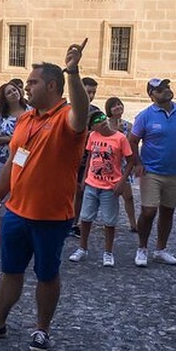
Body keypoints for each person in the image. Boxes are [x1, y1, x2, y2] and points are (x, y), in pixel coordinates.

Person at [0, 43, 90, 351]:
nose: (26, 87)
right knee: (10, 271)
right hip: (16, 212)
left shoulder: (67, 118)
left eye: (32, 82)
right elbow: (12, 162)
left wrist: (73, 72)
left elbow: (82, 111)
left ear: (52, 86)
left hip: (51, 217)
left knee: (47, 274)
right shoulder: (25, 119)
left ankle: (42, 329)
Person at [129, 77, 176, 267]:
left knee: (168, 211)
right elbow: (132, 140)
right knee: (149, 211)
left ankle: (160, 250)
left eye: (167, 87)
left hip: (175, 171)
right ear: (152, 95)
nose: (166, 90)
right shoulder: (145, 116)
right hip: (151, 171)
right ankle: (142, 248)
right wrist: (137, 163)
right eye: (160, 89)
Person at [67, 110, 134, 267]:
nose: (102, 121)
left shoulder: (120, 138)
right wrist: (84, 178)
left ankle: (108, 252)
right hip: (92, 183)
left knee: (109, 221)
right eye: (97, 121)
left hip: (110, 186)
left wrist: (122, 181)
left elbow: (130, 160)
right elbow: (90, 157)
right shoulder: (93, 136)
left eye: (103, 117)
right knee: (85, 217)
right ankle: (82, 248)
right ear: (92, 127)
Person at [71, 76, 101, 237]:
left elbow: (102, 132)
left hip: (86, 159)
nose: (91, 96)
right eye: (88, 92)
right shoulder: (67, 109)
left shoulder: (97, 112)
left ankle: (74, 223)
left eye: (94, 92)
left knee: (80, 191)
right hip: (67, 157)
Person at [105, 96, 138, 232]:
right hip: (107, 163)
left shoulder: (128, 126)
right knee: (106, 195)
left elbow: (129, 146)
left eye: (120, 104)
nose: (118, 107)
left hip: (123, 164)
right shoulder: (104, 125)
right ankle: (107, 221)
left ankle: (133, 223)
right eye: (114, 105)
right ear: (109, 110)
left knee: (128, 196)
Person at [0, 81, 29, 183]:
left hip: (23, 160)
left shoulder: (31, 111)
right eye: (9, 93)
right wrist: (9, 139)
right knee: (2, 191)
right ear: (4, 98)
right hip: (1, 161)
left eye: (14, 90)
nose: (13, 93)